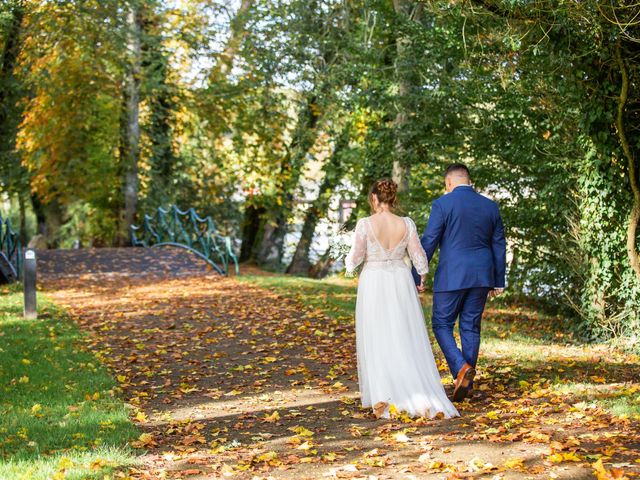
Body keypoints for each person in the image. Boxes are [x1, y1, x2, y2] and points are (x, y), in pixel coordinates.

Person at [345, 178, 459, 419]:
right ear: (393, 199)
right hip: (399, 279)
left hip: (374, 280)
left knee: (377, 334)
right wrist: (422, 279)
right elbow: (419, 257)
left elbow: (355, 258)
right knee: (402, 332)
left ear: (374, 198)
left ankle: (382, 394)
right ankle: (411, 389)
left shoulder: (365, 224)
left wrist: (347, 263)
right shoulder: (406, 224)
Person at [412, 163, 506, 402]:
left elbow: (430, 240)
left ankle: (461, 369)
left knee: (441, 324)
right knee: (471, 326)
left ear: (449, 183)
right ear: (469, 180)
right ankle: (466, 381)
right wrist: (498, 280)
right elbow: (498, 244)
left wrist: (417, 274)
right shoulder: (490, 206)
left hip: (452, 274)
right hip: (482, 276)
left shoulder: (443, 204)